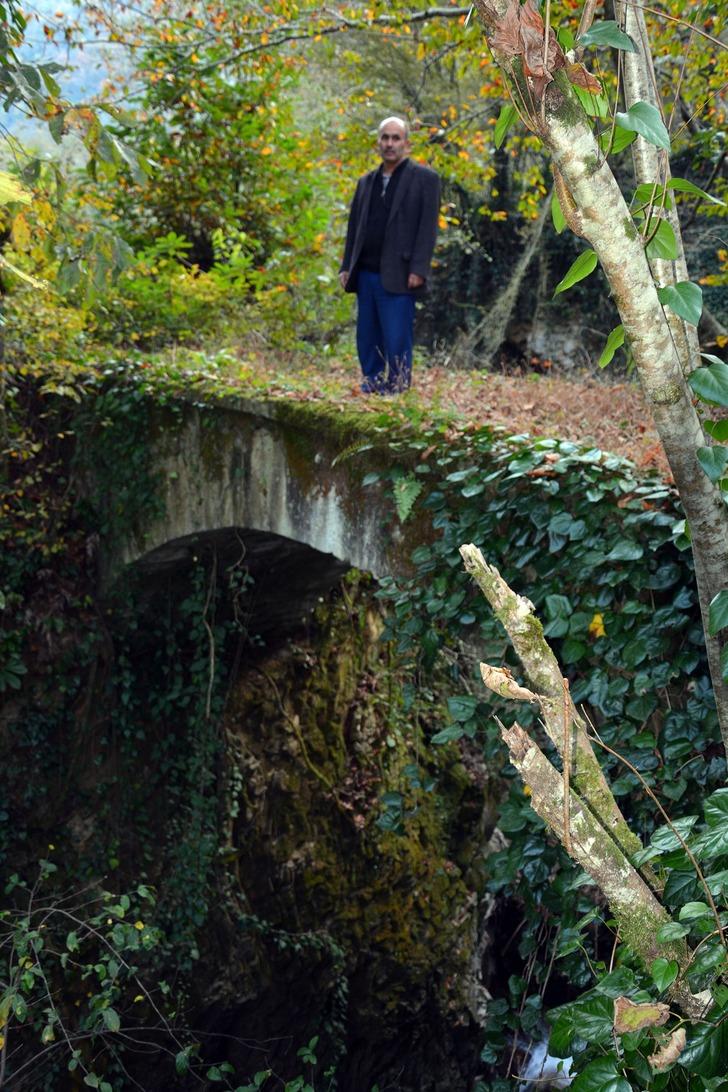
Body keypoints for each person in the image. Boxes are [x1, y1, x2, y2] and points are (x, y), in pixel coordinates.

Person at [339, 116, 440, 394]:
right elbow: (354, 228)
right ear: (378, 144)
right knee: (367, 334)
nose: (390, 143)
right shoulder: (366, 182)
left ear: (407, 144)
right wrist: (347, 266)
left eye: (396, 138)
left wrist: (419, 269)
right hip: (366, 272)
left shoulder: (425, 180)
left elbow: (427, 229)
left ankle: (396, 386)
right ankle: (371, 380)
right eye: (385, 138)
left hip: (400, 272)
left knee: (397, 335)